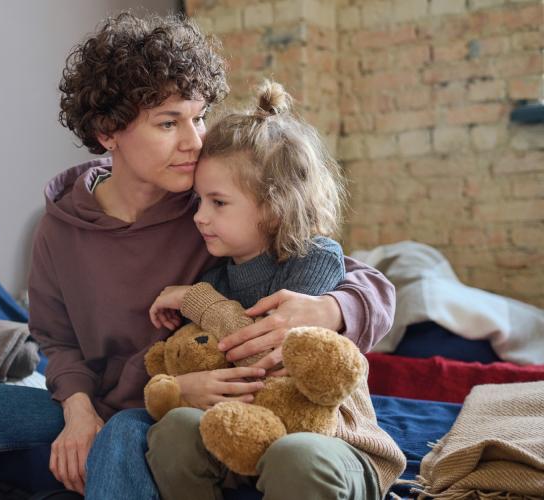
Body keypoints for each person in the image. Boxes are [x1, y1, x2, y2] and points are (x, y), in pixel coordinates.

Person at [0, 13, 396, 500]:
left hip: (167, 402)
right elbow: (56, 341)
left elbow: (351, 272)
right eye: (169, 123)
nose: (194, 140)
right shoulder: (59, 229)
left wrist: (329, 311)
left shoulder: (210, 208)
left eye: (197, 117)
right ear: (107, 132)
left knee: (122, 435)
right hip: (100, 399)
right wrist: (75, 409)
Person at [145, 82, 405, 500]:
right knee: (174, 429)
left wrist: (196, 300)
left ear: (274, 206)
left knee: (294, 456)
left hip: (330, 440)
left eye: (218, 202)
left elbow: (265, 350)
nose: (200, 217)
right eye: (199, 201)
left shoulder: (313, 258)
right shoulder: (217, 280)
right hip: (243, 435)